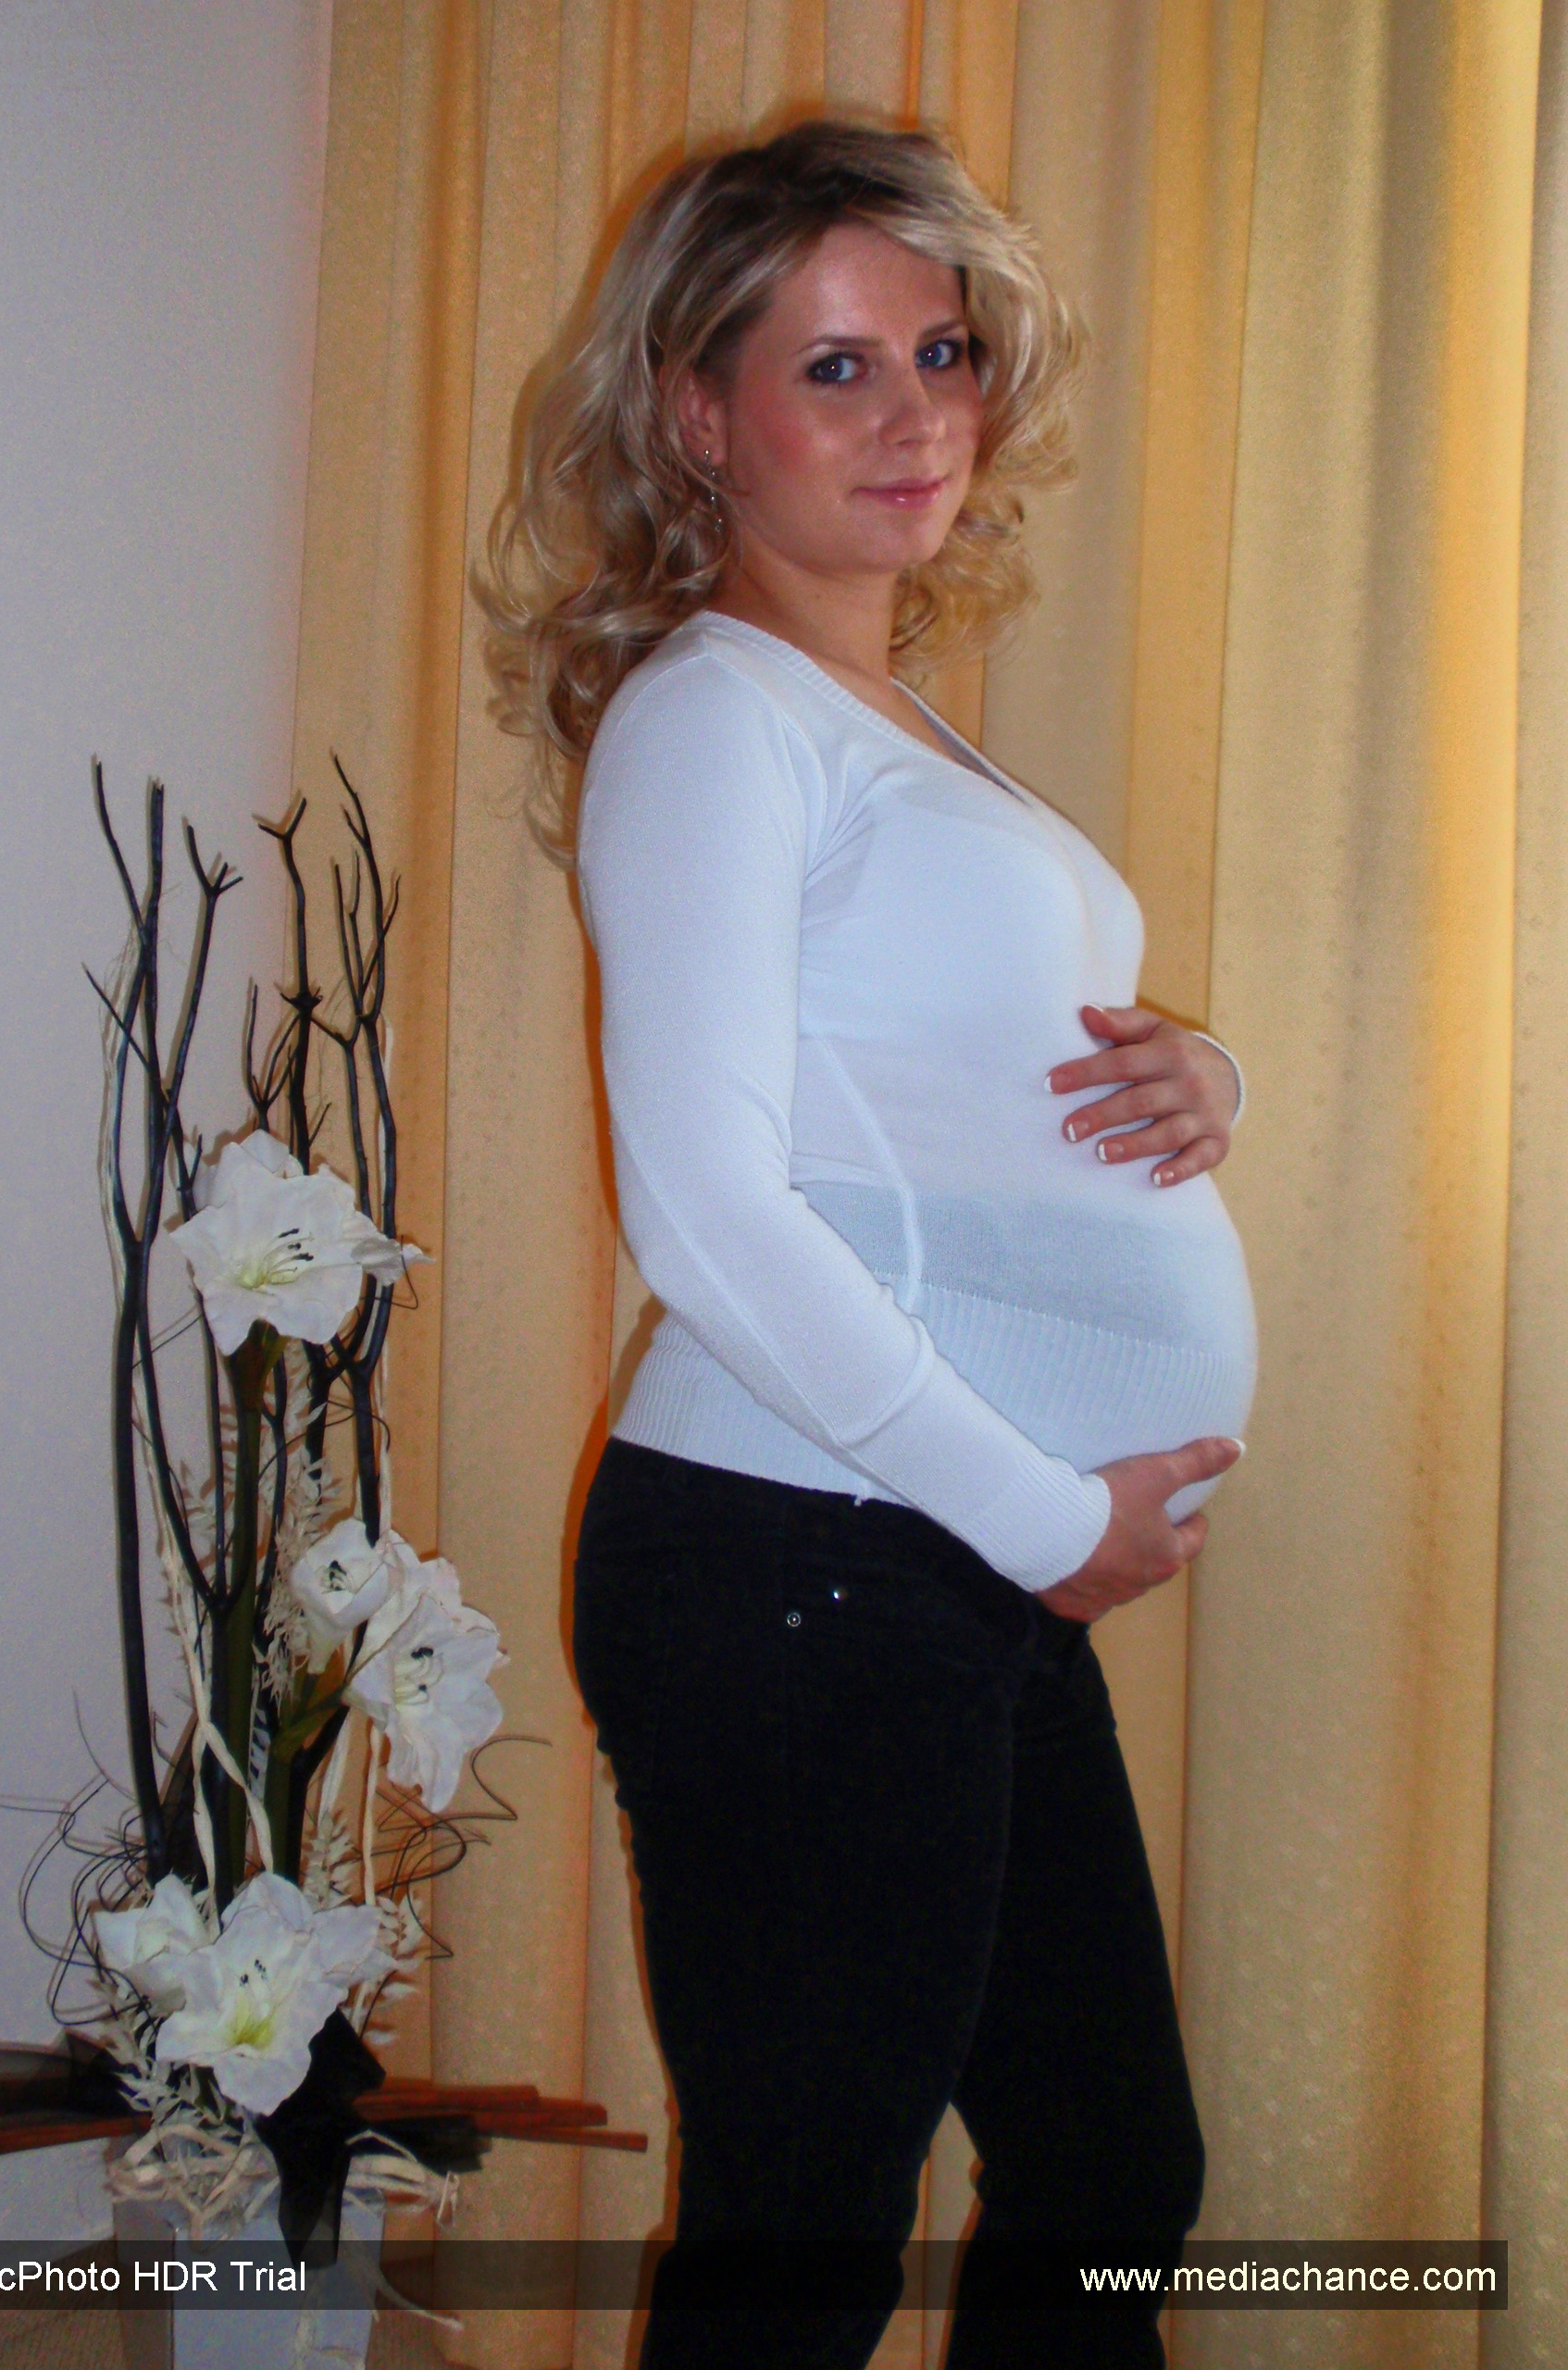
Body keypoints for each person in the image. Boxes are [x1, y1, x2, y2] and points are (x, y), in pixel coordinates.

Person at [480, 118, 1254, 2370]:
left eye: (943, 350)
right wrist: (1044, 1518)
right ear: (699, 413)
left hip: (923, 1557)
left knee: (1109, 2171)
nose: (916, 410)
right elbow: (709, 1208)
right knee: (805, 2237)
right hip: (811, 1558)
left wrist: (1201, 1077)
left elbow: (940, 1078)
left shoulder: (878, 717)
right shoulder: (714, 715)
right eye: (834, 366)